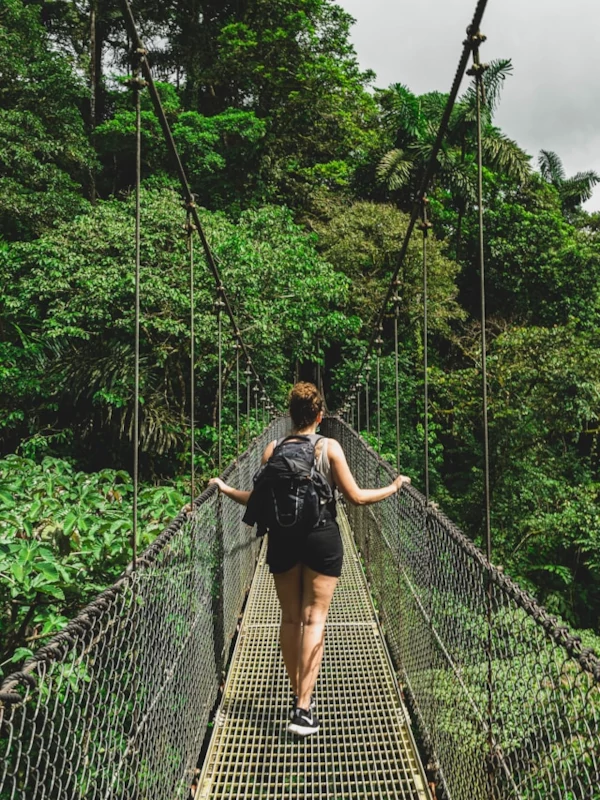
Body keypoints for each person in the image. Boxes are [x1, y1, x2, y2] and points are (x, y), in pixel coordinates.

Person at [209, 382, 410, 737]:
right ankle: (303, 707)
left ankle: (297, 694)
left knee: (289, 620)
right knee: (314, 618)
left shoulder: (273, 449)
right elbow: (357, 498)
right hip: (321, 537)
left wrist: (225, 489)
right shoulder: (330, 447)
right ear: (320, 416)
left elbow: (256, 500)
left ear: (290, 415)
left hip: (282, 539)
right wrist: (394, 487)